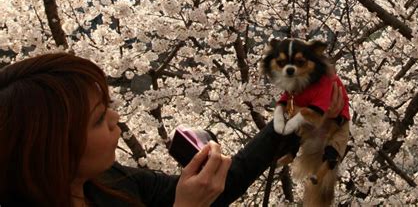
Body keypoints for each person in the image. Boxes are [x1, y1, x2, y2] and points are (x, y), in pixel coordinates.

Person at [0, 53, 344, 206]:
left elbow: (222, 185)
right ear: (52, 148)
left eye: (109, 106)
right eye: (97, 118)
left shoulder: (113, 182)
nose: (115, 119)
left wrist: (291, 119)